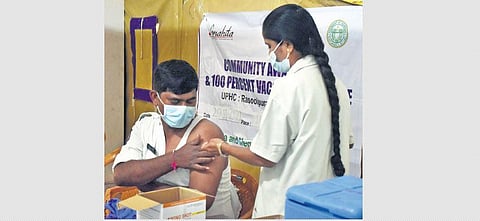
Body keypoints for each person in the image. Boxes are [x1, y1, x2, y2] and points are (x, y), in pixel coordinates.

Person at [201, 4, 354, 218]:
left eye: (270, 46)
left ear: (288, 45)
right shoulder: (336, 84)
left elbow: (265, 156)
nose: (269, 53)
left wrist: (222, 147)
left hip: (289, 207)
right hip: (326, 206)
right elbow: (347, 142)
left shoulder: (289, 87)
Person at [112, 59, 242, 219]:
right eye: (175, 102)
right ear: (155, 97)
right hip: (153, 213)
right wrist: (175, 159)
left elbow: (196, 203)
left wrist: (144, 181)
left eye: (190, 101)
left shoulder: (207, 135)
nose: (183, 108)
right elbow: (121, 175)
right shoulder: (145, 124)